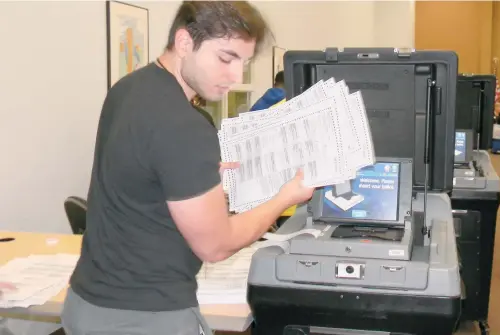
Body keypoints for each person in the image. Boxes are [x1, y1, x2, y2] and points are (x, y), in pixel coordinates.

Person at [61, 2, 315, 334]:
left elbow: (144, 177)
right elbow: (216, 245)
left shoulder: (129, 89)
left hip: (86, 305)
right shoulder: (184, 124)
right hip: (144, 317)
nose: (236, 77)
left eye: (244, 63)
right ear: (184, 43)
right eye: (226, 58)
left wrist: (199, 178)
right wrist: (284, 198)